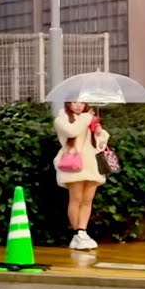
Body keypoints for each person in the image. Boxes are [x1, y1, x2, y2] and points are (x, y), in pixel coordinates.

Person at [53, 101, 110, 250]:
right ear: (68, 104)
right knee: (76, 199)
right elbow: (71, 132)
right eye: (74, 102)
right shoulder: (62, 119)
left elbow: (99, 143)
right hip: (74, 164)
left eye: (82, 103)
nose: (78, 105)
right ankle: (76, 233)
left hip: (91, 164)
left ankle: (83, 231)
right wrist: (87, 118)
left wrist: (99, 132)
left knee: (87, 200)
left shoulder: (89, 119)